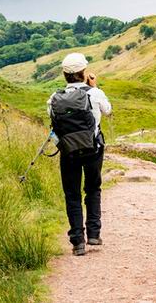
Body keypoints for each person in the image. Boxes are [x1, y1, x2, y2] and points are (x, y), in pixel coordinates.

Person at [47, 53, 113, 256]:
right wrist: (94, 87)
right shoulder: (95, 94)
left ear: (64, 75)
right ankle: (94, 233)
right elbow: (108, 111)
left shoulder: (53, 99)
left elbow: (54, 123)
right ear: (83, 73)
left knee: (72, 194)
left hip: (68, 152)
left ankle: (78, 242)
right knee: (93, 188)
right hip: (93, 149)